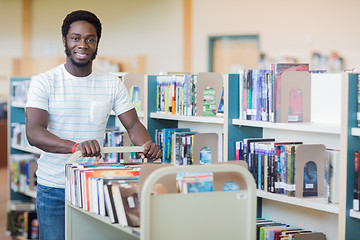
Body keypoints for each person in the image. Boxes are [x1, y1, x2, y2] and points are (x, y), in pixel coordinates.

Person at [25, 10, 162, 240]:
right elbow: (34, 132)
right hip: (54, 188)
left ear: (97, 43)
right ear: (65, 41)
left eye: (90, 39)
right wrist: (75, 147)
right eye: (76, 38)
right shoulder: (44, 81)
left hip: (95, 186)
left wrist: (146, 144)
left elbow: (133, 125)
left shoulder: (112, 83)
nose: (83, 44)